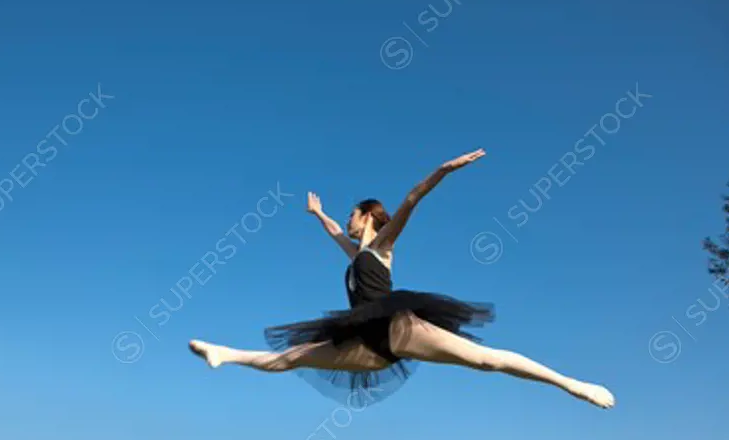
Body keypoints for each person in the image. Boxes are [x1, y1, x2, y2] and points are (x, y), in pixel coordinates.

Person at [189, 149, 615, 410]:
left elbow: (412, 199)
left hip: (399, 328)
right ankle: (224, 354)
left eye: (352, 215)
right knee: (291, 358)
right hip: (367, 345)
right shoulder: (356, 254)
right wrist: (319, 215)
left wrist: (444, 170)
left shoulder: (382, 247)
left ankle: (573, 384)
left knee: (487, 361)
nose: (348, 222)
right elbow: (335, 234)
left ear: (369, 216)